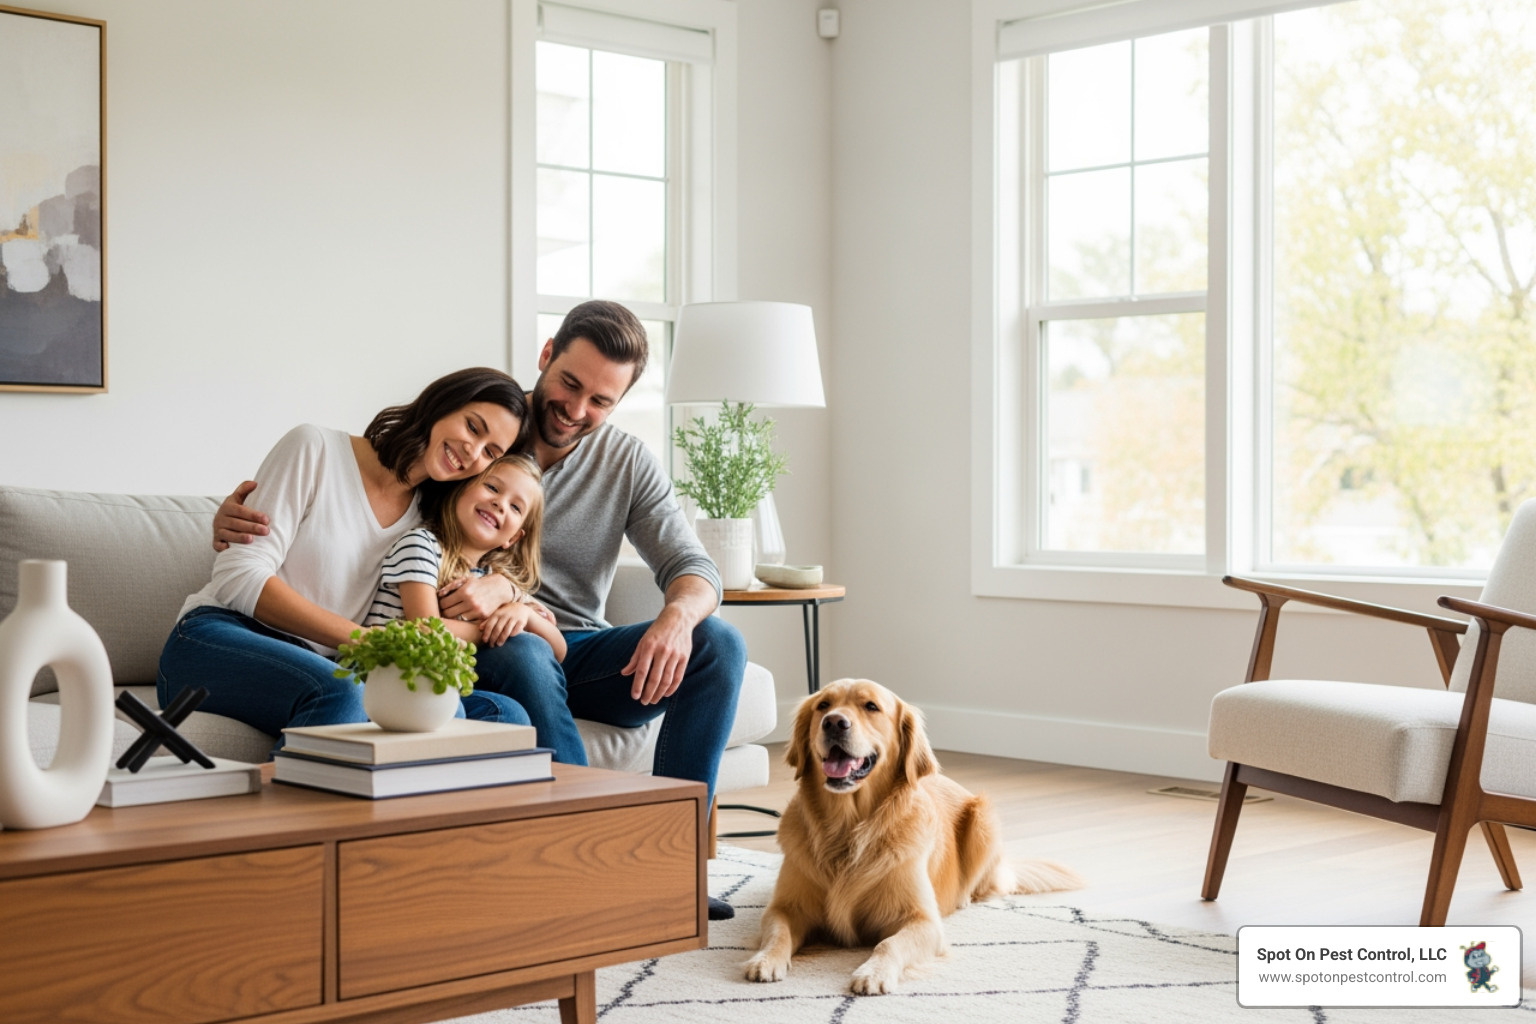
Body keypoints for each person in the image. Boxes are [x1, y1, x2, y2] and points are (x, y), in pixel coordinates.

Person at [214, 302, 748, 920]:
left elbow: (695, 565)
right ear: (546, 355)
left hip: (568, 648)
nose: (577, 410)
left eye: (600, 400)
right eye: (570, 384)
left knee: (721, 643)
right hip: (485, 647)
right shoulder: (481, 436)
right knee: (516, 647)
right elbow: (375, 498)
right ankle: (584, 848)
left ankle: (674, 864)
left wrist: (675, 619)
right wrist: (234, 518)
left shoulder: (625, 462)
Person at [161, 368, 534, 744]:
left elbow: (450, 607)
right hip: (218, 638)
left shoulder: (434, 520)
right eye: (472, 427)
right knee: (342, 693)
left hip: (329, 665)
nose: (472, 452)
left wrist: (512, 596)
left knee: (505, 716)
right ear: (443, 404)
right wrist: (366, 642)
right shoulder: (315, 448)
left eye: (491, 452)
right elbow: (237, 577)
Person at [358, 453, 585, 765]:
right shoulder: (422, 545)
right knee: (512, 688)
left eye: (516, 507)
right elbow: (424, 627)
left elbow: (556, 650)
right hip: (397, 680)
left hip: (444, 685)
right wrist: (495, 628)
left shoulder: (496, 582)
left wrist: (525, 614)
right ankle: (569, 791)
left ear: (514, 538)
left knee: (515, 691)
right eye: (492, 487)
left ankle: (563, 792)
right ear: (461, 489)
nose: (500, 504)